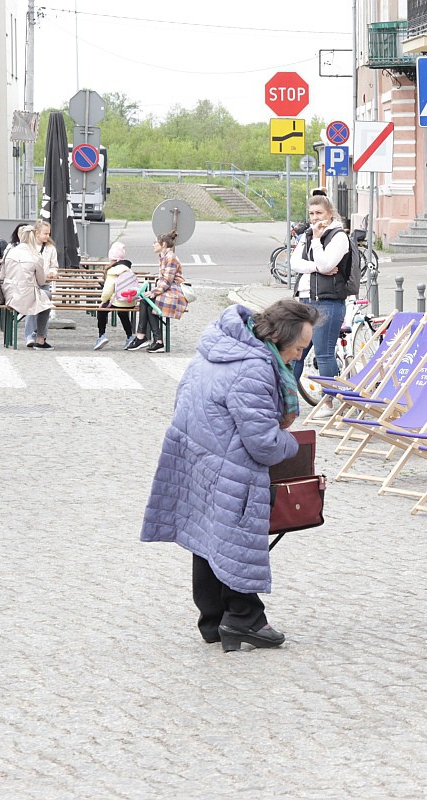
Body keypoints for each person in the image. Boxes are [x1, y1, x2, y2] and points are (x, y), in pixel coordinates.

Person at [140, 298, 318, 650]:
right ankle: (243, 618)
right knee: (236, 538)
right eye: (299, 348)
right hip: (229, 465)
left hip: (197, 455)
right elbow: (264, 444)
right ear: (280, 338)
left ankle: (213, 619)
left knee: (208, 537)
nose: (300, 356)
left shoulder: (221, 344)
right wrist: (292, 444)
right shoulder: (254, 368)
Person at [289, 194, 350, 415]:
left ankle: (329, 402)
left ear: (330, 214)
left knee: (324, 353)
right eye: (312, 214)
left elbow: (327, 264)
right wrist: (315, 267)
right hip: (305, 299)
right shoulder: (307, 235)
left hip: (327, 301)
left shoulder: (338, 237)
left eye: (319, 214)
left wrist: (316, 240)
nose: (315, 218)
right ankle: (284, 398)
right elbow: (295, 263)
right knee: (296, 352)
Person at [128, 231, 188, 353]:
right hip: (168, 291)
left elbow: (167, 280)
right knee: (146, 302)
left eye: (155, 242)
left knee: (147, 302)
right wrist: (153, 292)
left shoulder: (171, 258)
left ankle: (146, 338)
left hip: (174, 294)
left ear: (163, 244)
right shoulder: (164, 256)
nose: (153, 244)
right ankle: (153, 340)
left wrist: (154, 292)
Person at [2, 226, 54, 349]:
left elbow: (2, 274)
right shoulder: (36, 256)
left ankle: (27, 336)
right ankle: (40, 339)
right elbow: (41, 281)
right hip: (27, 294)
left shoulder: (10, 252)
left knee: (38, 299)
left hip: (9, 294)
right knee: (46, 299)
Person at [94, 242, 136, 350]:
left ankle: (101, 335)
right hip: (130, 301)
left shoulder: (113, 271)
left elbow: (107, 291)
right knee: (123, 313)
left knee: (102, 310)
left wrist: (103, 301)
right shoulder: (128, 269)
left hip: (118, 301)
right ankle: (130, 336)